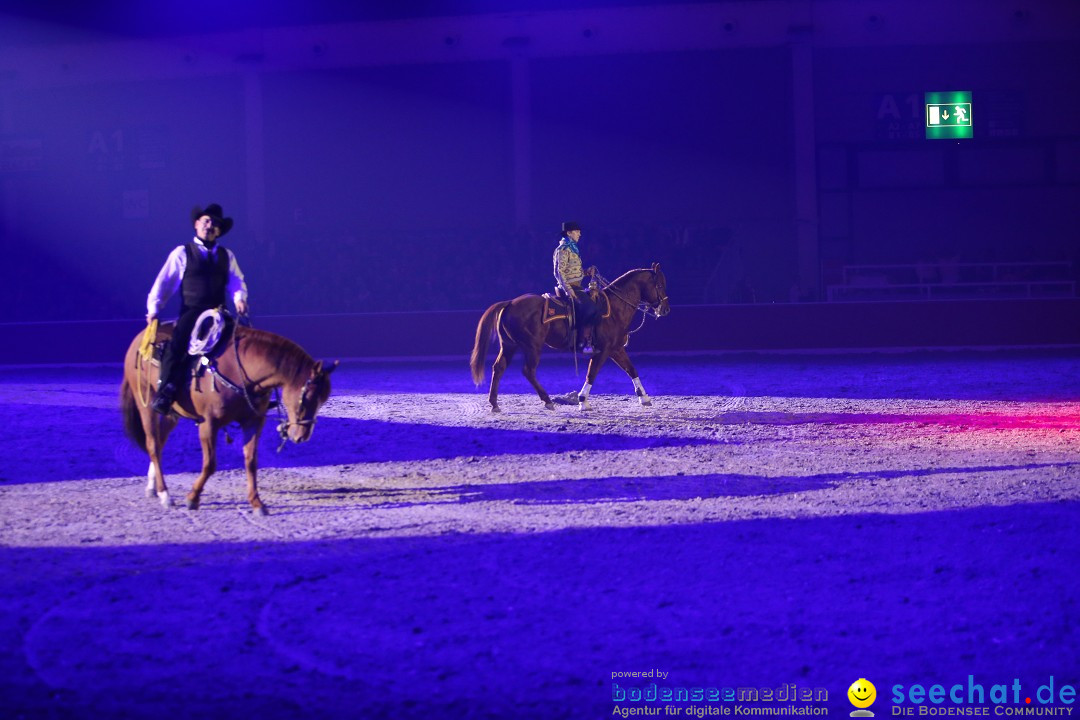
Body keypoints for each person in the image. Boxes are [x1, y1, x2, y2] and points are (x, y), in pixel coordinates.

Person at [146, 203, 248, 414]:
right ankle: (166, 390)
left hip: (219, 312)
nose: (210, 226)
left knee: (243, 341)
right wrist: (154, 308)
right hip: (192, 312)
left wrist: (239, 298)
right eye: (206, 221)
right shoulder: (182, 253)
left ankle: (246, 393)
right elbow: (165, 282)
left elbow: (236, 280)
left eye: (215, 224)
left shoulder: (226, 255)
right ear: (196, 224)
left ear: (219, 230)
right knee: (177, 345)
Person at [553, 220, 599, 354]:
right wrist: (569, 290)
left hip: (577, 286)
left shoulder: (573, 248)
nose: (580, 234)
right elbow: (559, 272)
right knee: (590, 308)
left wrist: (585, 272)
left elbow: (572, 271)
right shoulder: (563, 250)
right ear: (569, 233)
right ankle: (580, 343)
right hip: (569, 288)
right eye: (577, 231)